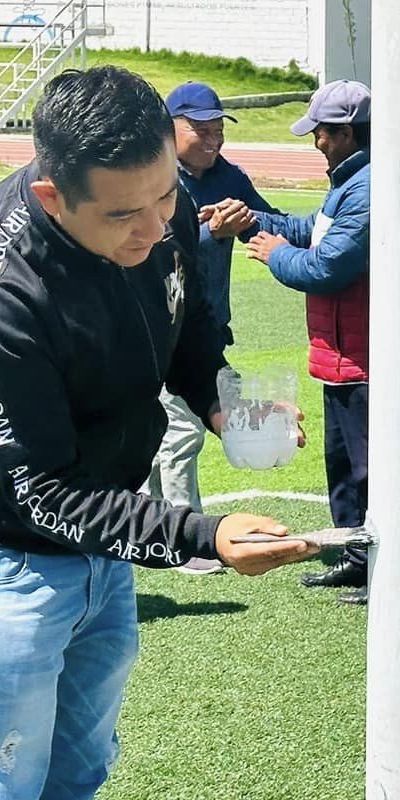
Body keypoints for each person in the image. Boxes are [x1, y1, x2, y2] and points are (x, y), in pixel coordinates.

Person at [0, 66, 317, 800]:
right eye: (124, 214)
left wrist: (221, 404)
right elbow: (44, 495)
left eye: (164, 196)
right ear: (52, 197)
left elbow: (187, 323)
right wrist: (202, 536)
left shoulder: (157, 203)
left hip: (97, 545)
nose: (154, 227)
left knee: (71, 784)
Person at [246, 79, 373, 605]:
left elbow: (327, 266)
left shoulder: (368, 187)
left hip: (365, 356)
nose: (315, 142)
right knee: (343, 465)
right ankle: (357, 556)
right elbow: (310, 230)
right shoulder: (350, 182)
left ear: (344, 133)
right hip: (341, 354)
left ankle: (382, 568)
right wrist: (253, 221)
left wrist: (273, 252)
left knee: (369, 471)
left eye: (320, 132)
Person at [147, 81, 281, 576]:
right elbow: (150, 246)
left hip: (205, 327)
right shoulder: (154, 175)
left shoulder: (228, 176)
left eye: (218, 128)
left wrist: (247, 216)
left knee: (167, 428)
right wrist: (208, 231)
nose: (213, 139)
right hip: (158, 324)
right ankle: (188, 541)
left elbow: (271, 222)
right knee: (182, 431)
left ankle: (152, 525)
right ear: (171, 129)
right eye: (200, 129)